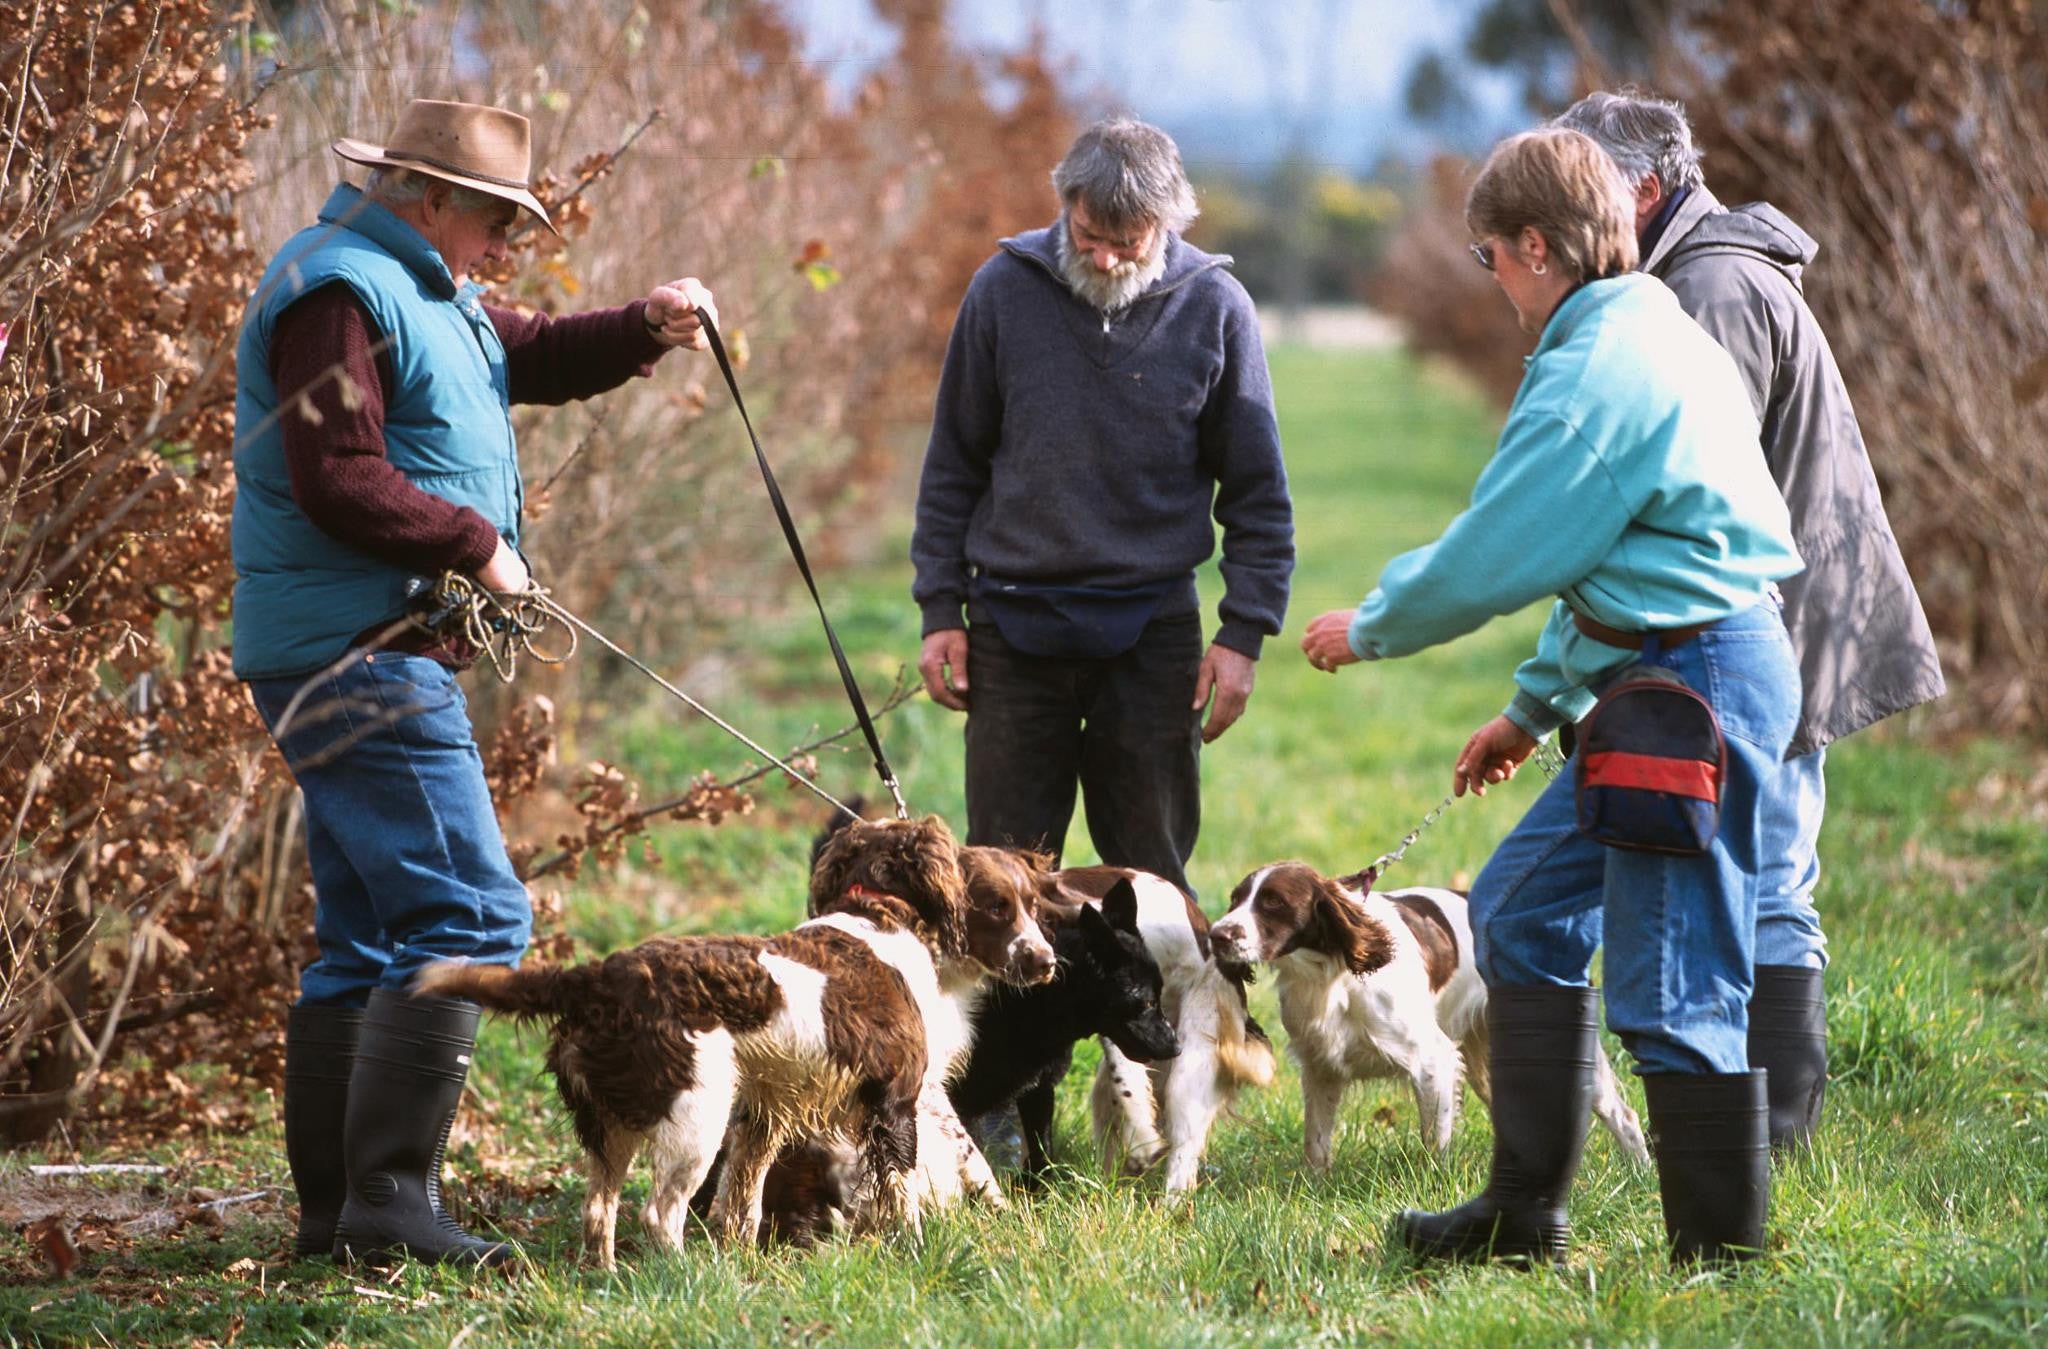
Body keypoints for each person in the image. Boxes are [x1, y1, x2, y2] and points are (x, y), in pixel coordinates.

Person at [1300, 128, 1803, 1266]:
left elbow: (1500, 550)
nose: (1493, 283)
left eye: (1489, 257)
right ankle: (1519, 1213)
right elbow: (1614, 559)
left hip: (1697, 685)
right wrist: (1530, 710)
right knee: (1519, 911)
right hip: (1657, 671)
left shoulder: (1595, 371)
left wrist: (1371, 624)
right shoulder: (1637, 326)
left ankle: (1719, 1263)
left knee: (1674, 984)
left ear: (1535, 244)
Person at [231, 99, 716, 1266]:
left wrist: (644, 326)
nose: (505, 240)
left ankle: (338, 1215)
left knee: (365, 936)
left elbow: (532, 352)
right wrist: (475, 542)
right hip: (359, 652)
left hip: (357, 646)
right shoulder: (337, 291)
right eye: (494, 216)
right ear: (425, 196)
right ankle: (391, 1201)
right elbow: (337, 476)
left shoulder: (427, 289)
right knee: (472, 915)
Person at [1552, 90, 1945, 1149]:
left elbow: (1677, 491)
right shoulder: (1682, 276)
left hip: (1775, 621)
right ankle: (1753, 1138)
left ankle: (1769, 1141)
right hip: (1762, 613)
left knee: (1768, 876)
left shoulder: (1709, 287)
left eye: (1577, 187)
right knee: (1760, 873)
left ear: (1639, 187)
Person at [911, 117, 1294, 894]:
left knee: (1151, 881)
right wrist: (940, 611)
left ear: (1171, 221)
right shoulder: (1001, 293)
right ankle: (1017, 1022)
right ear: (1066, 205)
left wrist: (1243, 635)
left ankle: (1161, 1019)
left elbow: (1258, 494)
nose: (1106, 256)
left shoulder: (1216, 307)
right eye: (1088, 234)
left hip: (1153, 635)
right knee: (1001, 885)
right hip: (1011, 627)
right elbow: (952, 462)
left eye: (1129, 238)